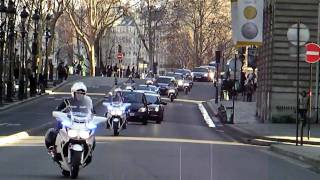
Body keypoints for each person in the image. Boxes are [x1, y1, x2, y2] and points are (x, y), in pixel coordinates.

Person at [45, 82, 95, 157]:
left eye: (82, 93)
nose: (80, 94)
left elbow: (93, 113)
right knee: (55, 130)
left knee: (91, 135)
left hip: (81, 124)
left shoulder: (87, 103)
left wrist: (93, 117)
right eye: (78, 93)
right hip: (69, 122)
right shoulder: (67, 101)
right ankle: (53, 148)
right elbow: (58, 110)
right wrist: (59, 114)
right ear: (73, 93)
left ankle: (89, 151)